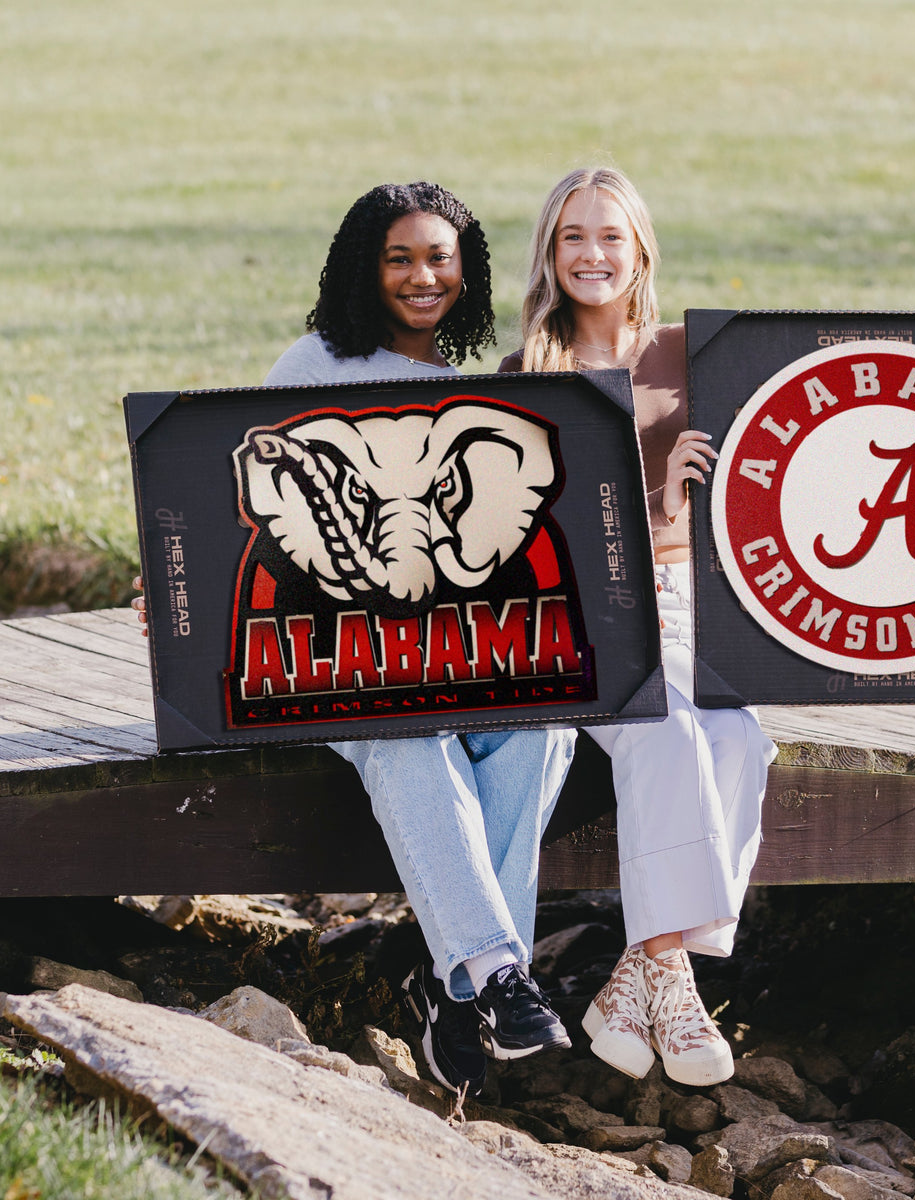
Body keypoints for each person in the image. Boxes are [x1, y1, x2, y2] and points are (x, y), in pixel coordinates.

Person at [133, 182, 575, 1097]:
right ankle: (496, 974)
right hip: (336, 667)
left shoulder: (485, 386)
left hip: (456, 659)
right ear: (365, 268)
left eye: (440, 258)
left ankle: (462, 991)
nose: (423, 277)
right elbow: (236, 504)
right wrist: (176, 584)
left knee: (546, 729)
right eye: (400, 258)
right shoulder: (314, 364)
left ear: (469, 268)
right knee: (402, 732)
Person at [499, 167, 778, 1088]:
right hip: (582, 617)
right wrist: (652, 495)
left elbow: (764, 487)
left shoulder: (691, 356)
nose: (592, 254)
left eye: (610, 236)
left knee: (744, 736)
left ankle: (641, 971)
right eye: (573, 237)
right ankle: (674, 979)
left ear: (641, 250)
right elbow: (521, 536)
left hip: (689, 603)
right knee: (663, 734)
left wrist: (698, 495)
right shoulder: (522, 378)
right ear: (550, 253)